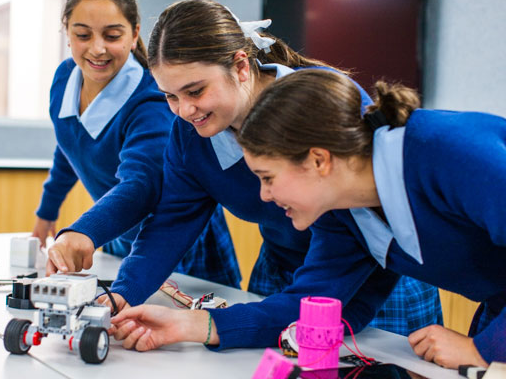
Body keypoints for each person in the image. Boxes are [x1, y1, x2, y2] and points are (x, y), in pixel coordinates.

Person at [47, 0, 441, 337]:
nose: (184, 111)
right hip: (283, 268)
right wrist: (122, 294)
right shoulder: (191, 132)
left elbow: (345, 245)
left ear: (240, 66)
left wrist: (209, 327)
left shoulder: (322, 102)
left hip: (370, 277)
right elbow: (173, 220)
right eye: (170, 96)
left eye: (196, 91)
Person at [110, 69, 506, 369]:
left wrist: (481, 349)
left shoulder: (449, 151)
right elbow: (307, 309)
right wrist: (191, 325)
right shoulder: (344, 213)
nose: (263, 196)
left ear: (318, 160)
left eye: (267, 178)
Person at [35, 0, 241, 288]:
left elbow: (142, 183)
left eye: (112, 35)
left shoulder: (151, 99)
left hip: (176, 235)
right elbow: (70, 143)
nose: (97, 48)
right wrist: (47, 212)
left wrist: (85, 230)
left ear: (134, 35)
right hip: (115, 226)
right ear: (67, 34)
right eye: (82, 34)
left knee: (193, 324)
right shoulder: (65, 78)